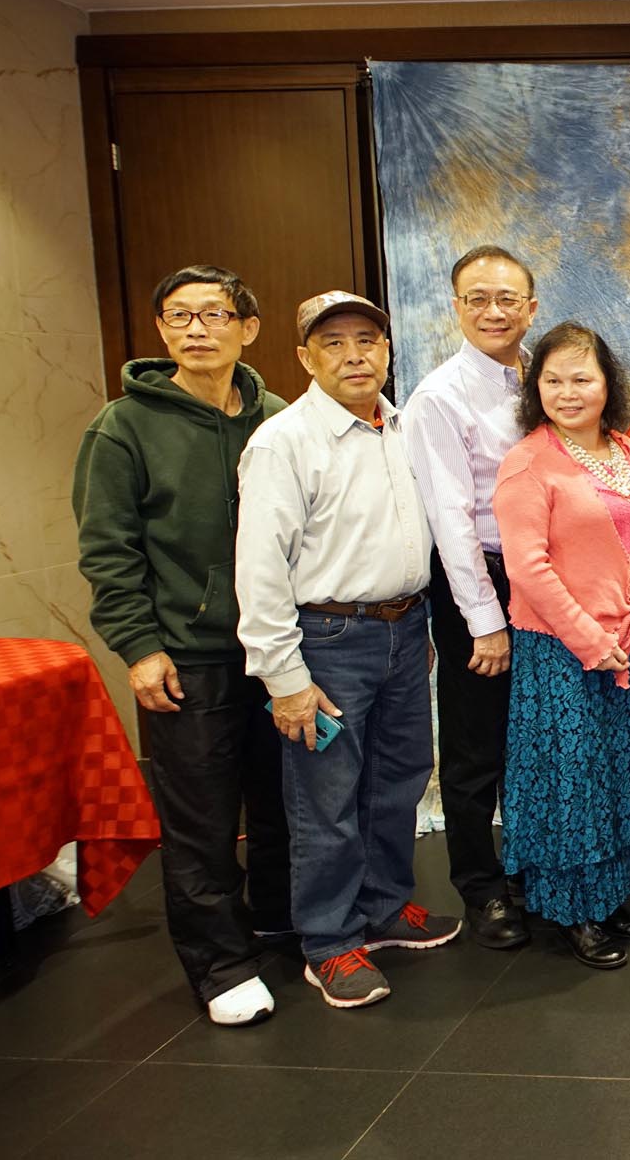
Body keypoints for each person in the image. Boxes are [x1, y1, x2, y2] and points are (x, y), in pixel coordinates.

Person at [73, 265, 290, 1026]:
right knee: (201, 820)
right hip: (187, 654)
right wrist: (138, 646)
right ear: (162, 329)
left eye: (214, 314)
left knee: (285, 803)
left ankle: (280, 922)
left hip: (279, 648)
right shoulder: (123, 426)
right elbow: (108, 550)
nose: (197, 329)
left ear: (248, 328)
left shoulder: (277, 416)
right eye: (179, 315)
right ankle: (220, 964)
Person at [236, 291, 460, 1010]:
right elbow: (259, 569)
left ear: (387, 351)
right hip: (327, 642)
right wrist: (284, 678)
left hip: (404, 631)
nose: (355, 355)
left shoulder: (401, 426)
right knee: (326, 796)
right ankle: (329, 941)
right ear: (304, 358)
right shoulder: (284, 442)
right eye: (333, 343)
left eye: (368, 340)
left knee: (399, 778)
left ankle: (384, 907)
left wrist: (418, 630)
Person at [492, 322, 630, 970]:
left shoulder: (625, 449)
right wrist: (589, 640)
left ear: (608, 384)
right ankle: (573, 911)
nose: (568, 392)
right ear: (535, 388)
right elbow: (527, 567)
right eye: (553, 380)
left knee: (621, 775)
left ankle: (609, 896)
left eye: (582, 378)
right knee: (572, 781)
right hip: (563, 651)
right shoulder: (528, 463)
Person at [402, 244, 538, 951]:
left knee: (532, 741)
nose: (493, 311)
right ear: (456, 307)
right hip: (477, 581)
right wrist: (484, 621)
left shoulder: (537, 378)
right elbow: (451, 521)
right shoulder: (440, 396)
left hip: (539, 579)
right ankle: (482, 887)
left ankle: (530, 870)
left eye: (507, 299)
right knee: (475, 748)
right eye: (477, 298)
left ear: (530, 309)